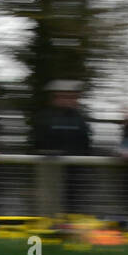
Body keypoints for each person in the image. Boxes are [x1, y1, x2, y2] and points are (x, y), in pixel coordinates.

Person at [33, 80, 92, 214]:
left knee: (74, 205)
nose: (72, 101)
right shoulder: (45, 117)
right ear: (56, 98)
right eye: (67, 97)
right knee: (51, 205)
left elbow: (85, 142)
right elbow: (39, 141)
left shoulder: (80, 118)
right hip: (51, 171)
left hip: (75, 172)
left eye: (74, 97)